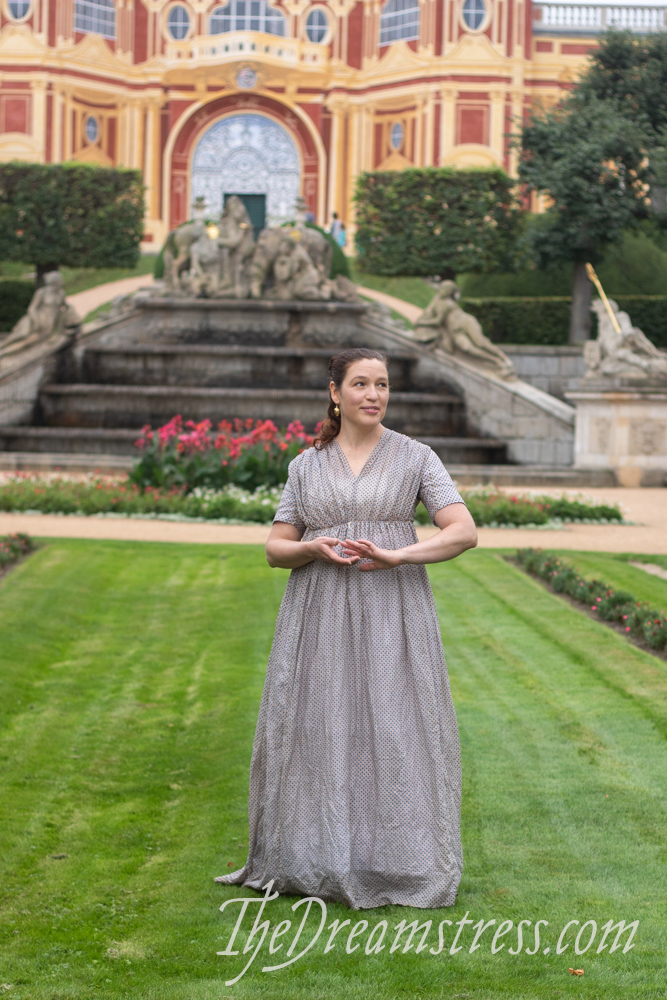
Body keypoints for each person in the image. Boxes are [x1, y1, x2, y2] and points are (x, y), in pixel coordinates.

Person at [215, 347, 477, 909]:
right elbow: (274, 549)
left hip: (394, 609)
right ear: (336, 392)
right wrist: (309, 546)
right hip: (319, 610)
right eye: (361, 384)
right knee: (318, 724)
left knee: (396, 724)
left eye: (382, 384)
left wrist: (399, 555)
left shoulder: (415, 457)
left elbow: (463, 531)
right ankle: (312, 856)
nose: (374, 395)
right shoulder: (305, 466)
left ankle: (402, 861)